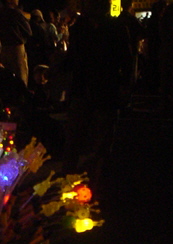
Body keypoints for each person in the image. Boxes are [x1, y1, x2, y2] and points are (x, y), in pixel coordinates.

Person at [62, 0, 133, 192]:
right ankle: (72, 179)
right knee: (79, 136)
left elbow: (126, 61)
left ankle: (97, 180)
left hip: (103, 88)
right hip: (89, 88)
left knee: (98, 139)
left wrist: (125, 85)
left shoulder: (114, 28)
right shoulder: (83, 28)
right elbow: (73, 58)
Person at [0, 0, 31, 86]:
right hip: (17, 48)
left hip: (3, 48)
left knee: (6, 77)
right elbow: (28, 32)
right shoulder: (16, 13)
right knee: (20, 76)